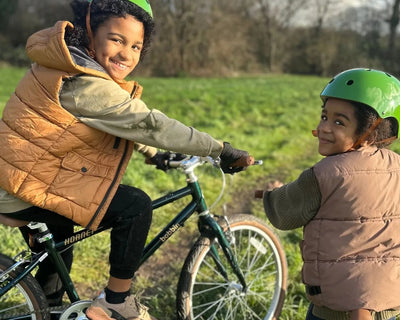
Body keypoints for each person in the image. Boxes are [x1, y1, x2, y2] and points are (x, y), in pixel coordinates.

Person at [0, 0, 251, 319]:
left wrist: (153, 154)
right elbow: (148, 124)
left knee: (60, 246)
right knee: (135, 206)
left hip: (17, 176)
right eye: (116, 40)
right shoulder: (83, 81)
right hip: (24, 184)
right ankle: (117, 300)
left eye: (136, 45)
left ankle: (45, 309)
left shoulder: (68, 64)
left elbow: (114, 122)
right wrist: (220, 148)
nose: (126, 54)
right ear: (90, 31)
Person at [261, 68, 400, 320]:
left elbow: (282, 214)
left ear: (374, 130)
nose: (324, 127)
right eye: (324, 116)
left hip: (332, 309)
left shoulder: (322, 175)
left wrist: (272, 192)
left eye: (339, 122)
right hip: (385, 306)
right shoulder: (399, 168)